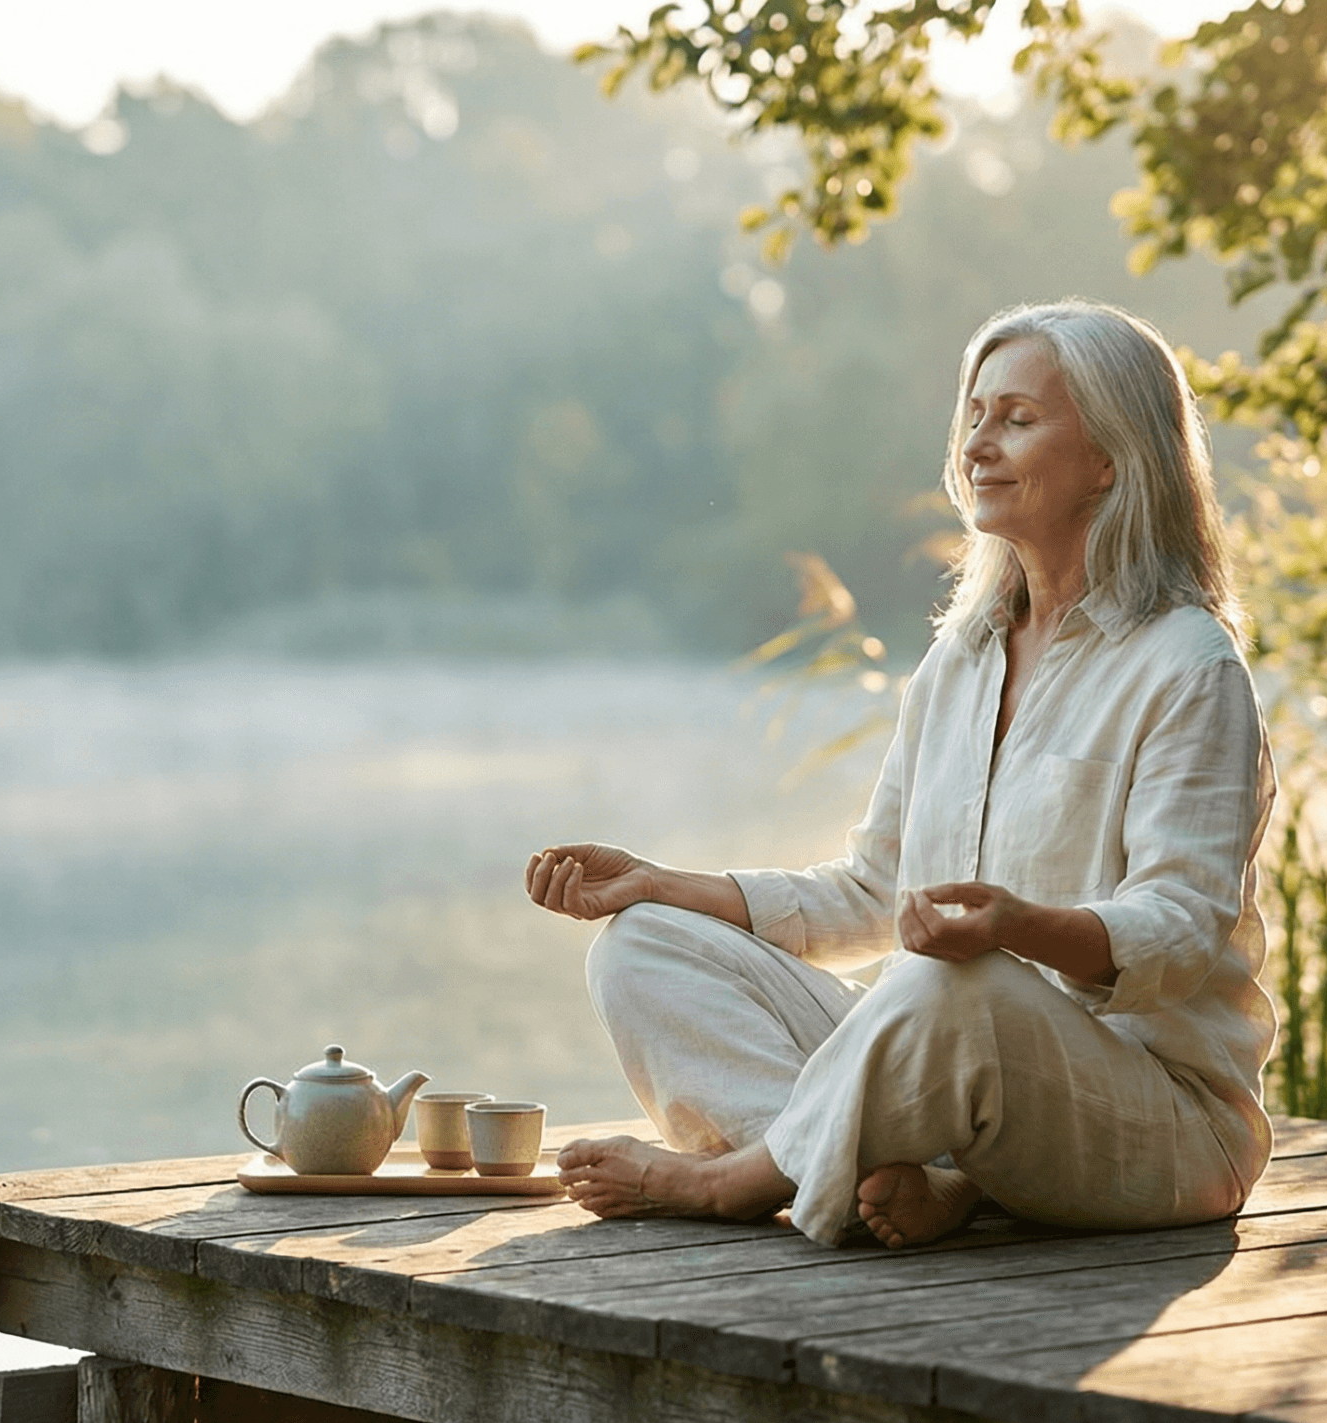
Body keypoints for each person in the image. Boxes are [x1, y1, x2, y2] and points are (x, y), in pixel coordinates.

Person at [522, 299, 1276, 1249]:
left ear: (1112, 459)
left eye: (1019, 419)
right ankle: (902, 1171)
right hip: (966, 1061)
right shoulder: (961, 660)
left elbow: (1182, 931)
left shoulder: (1188, 665)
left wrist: (1017, 927)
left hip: (1163, 1122)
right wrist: (665, 885)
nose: (980, 443)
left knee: (956, 987)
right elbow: (872, 893)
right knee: (642, 946)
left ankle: (736, 1183)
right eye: (975, 415)